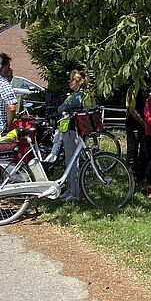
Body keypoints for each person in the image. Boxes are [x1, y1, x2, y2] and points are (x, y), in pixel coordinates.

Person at [55, 69, 92, 202]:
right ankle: (71, 189)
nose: (70, 82)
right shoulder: (80, 94)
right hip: (70, 130)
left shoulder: (77, 96)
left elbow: (62, 108)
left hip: (72, 130)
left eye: (73, 80)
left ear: (79, 82)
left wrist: (61, 107)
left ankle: (73, 192)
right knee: (70, 160)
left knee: (72, 162)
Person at [125, 82, 148, 181]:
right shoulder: (132, 89)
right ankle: (131, 178)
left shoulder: (148, 89)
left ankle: (141, 177)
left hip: (144, 124)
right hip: (133, 123)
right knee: (132, 151)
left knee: (144, 151)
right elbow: (132, 110)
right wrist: (143, 124)